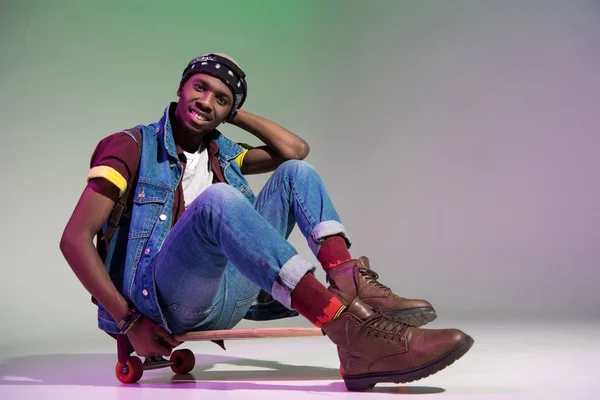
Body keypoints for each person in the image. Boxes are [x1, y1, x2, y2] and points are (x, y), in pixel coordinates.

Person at [59, 53, 473, 390]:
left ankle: (348, 284)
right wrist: (129, 322)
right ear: (180, 87)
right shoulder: (131, 146)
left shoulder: (225, 152)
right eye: (199, 87)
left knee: (296, 173)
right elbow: (75, 239)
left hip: (230, 297)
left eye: (221, 99)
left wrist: (231, 114)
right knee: (218, 199)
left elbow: (295, 149)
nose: (206, 102)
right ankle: (351, 328)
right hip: (164, 301)